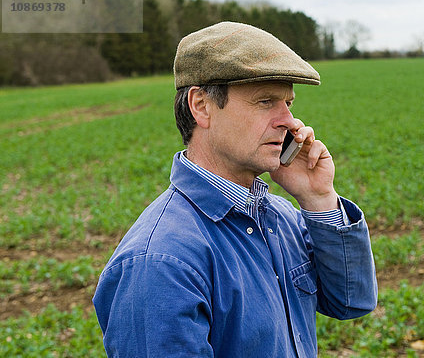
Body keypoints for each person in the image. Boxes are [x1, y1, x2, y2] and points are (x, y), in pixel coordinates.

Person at [93, 21, 377, 358]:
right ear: (201, 106)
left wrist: (318, 198)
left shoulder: (281, 217)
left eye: (288, 103)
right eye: (265, 101)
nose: (288, 120)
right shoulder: (159, 263)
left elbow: (351, 301)